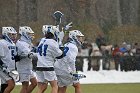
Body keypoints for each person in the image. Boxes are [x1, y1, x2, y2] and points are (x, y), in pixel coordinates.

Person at [36, 25, 63, 93]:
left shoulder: (42, 40)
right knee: (55, 86)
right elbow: (60, 54)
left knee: (41, 87)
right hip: (48, 66)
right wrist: (60, 44)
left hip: (39, 66)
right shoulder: (53, 42)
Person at [16, 26, 37, 93]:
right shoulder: (21, 43)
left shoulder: (28, 43)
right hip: (23, 67)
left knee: (34, 83)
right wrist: (41, 55)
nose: (31, 35)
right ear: (24, 34)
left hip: (28, 66)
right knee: (25, 86)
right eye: (29, 33)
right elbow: (30, 55)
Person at [0, 27, 18, 93]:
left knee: (5, 85)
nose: (13, 36)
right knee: (11, 85)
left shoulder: (13, 43)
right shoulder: (1, 42)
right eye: (11, 34)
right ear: (5, 34)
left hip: (11, 67)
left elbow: (15, 56)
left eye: (14, 34)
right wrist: (3, 66)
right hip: (3, 67)